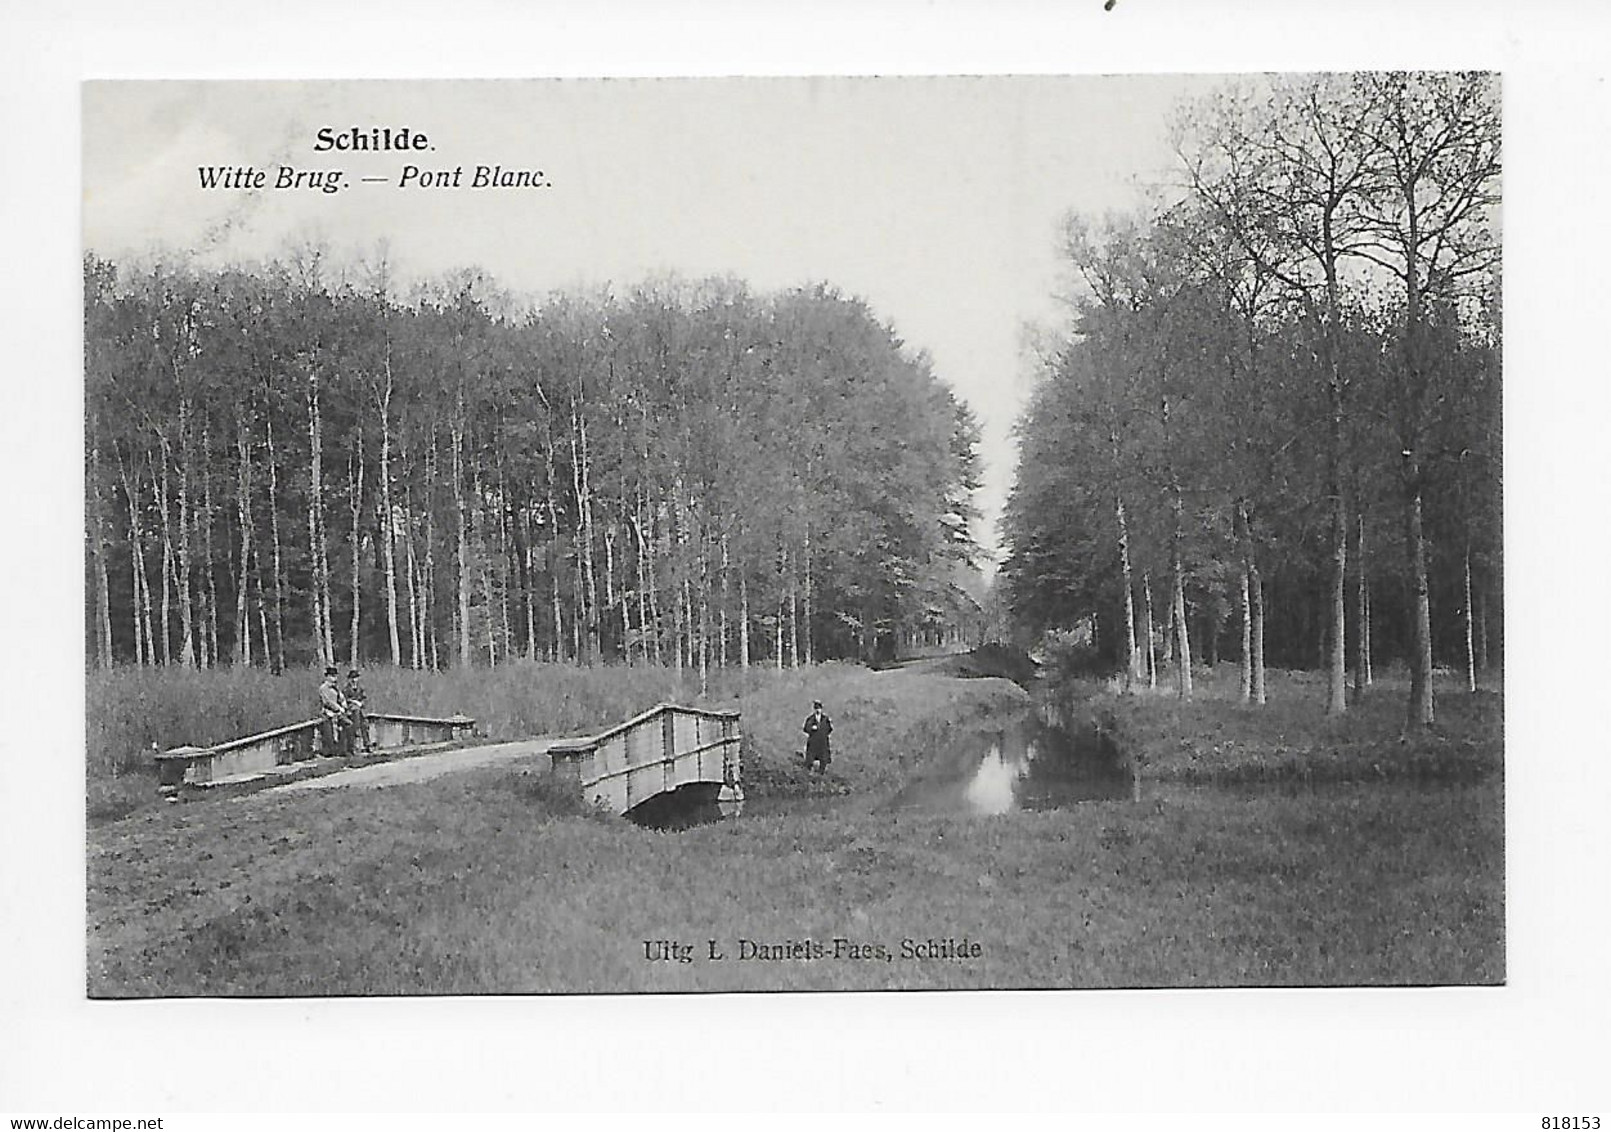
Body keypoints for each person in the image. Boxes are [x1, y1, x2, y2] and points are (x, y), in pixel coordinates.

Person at [317, 666, 350, 756]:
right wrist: (338, 708)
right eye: (332, 676)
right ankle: (331, 750)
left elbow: (341, 697)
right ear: (327, 677)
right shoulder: (323, 688)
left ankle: (344, 749)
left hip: (338, 712)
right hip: (327, 712)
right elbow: (327, 702)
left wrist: (344, 704)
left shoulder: (336, 687)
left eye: (335, 676)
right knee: (329, 729)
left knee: (348, 724)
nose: (334, 678)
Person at [343, 667, 371, 754]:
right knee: (354, 726)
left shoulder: (361, 688)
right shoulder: (346, 689)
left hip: (360, 710)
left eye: (356, 678)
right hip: (351, 710)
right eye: (352, 678)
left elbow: (364, 698)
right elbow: (345, 700)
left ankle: (367, 744)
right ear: (349, 679)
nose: (354, 680)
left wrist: (361, 703)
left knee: (364, 725)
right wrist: (354, 702)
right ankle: (353, 747)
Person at [803, 700, 833, 773]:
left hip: (823, 742)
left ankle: (821, 772)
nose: (818, 710)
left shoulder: (825, 719)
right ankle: (808, 772)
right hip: (813, 741)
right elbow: (805, 728)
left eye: (819, 708)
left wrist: (823, 733)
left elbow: (830, 729)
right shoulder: (810, 719)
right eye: (816, 708)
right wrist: (811, 729)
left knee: (823, 758)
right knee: (810, 758)